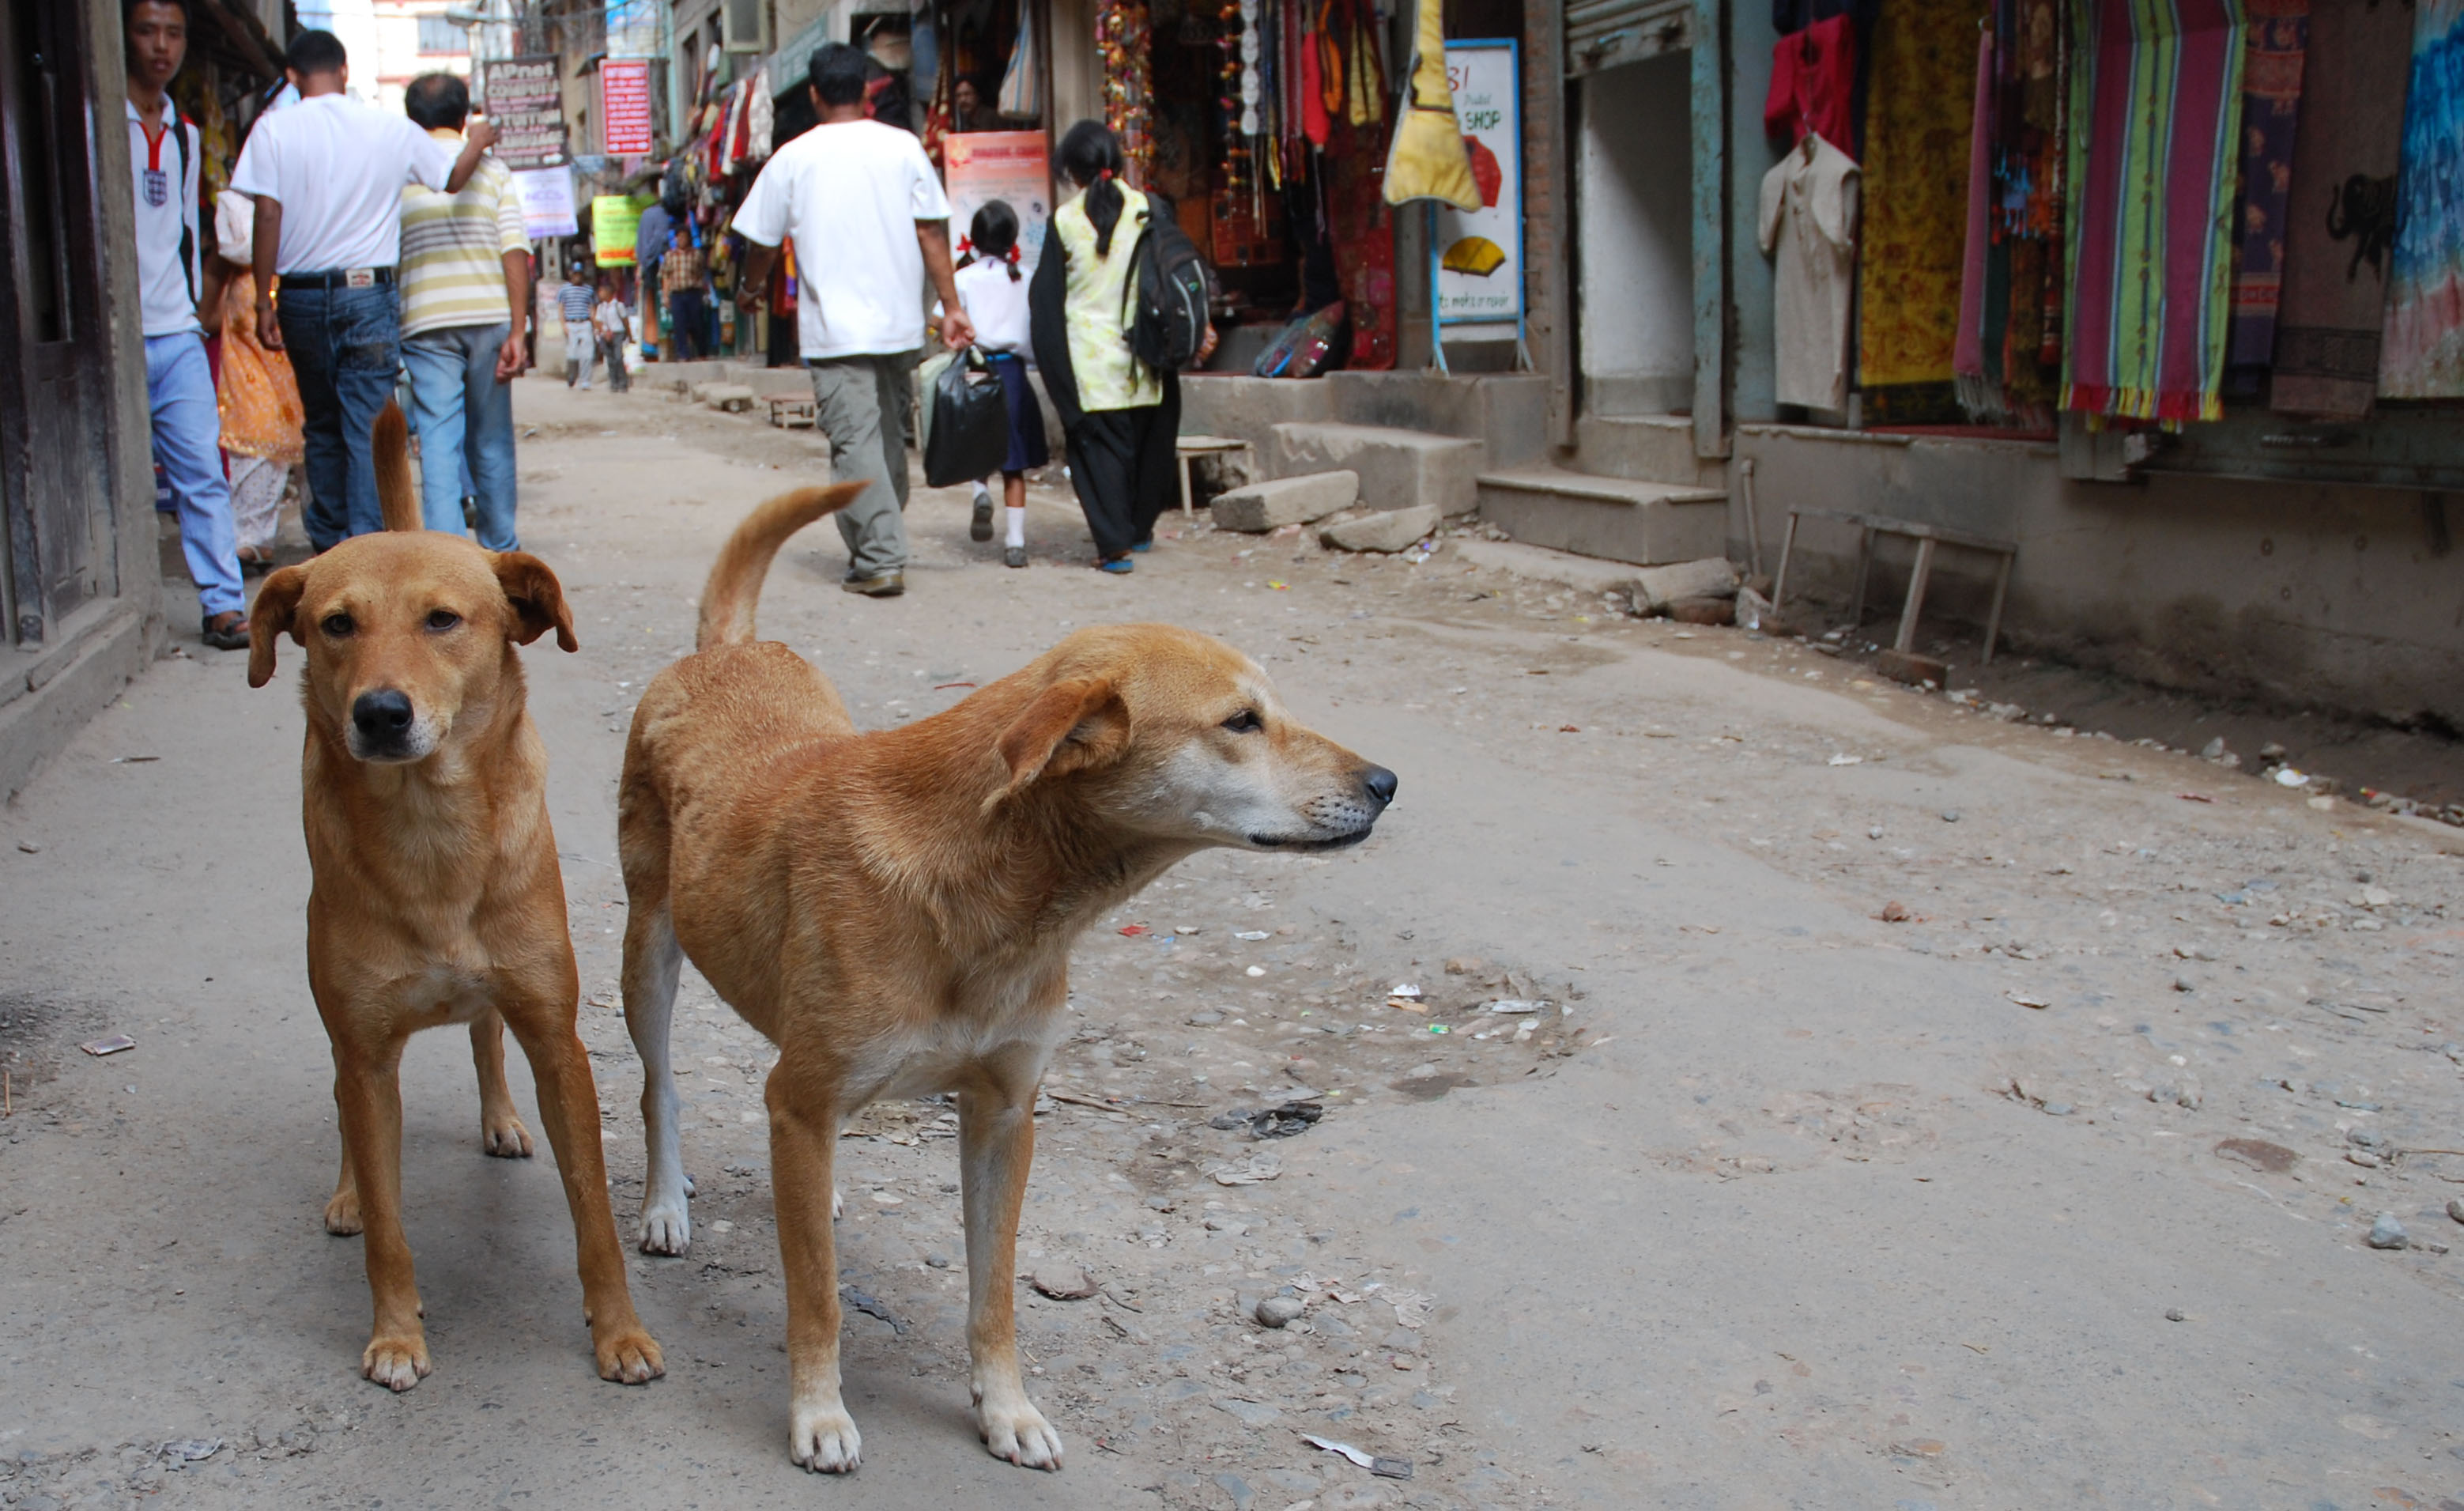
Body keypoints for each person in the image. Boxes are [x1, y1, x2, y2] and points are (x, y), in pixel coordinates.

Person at [232, 28, 496, 548]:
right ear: (346, 70)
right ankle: (368, 546)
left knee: (322, 426)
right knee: (366, 429)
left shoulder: (272, 130)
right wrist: (479, 142)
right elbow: (451, 177)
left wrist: (265, 298)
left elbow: (266, 213)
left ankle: (331, 547)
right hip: (368, 296)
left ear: (291, 77)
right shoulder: (388, 128)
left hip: (301, 297)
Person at [734, 42, 973, 599]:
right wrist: (951, 305)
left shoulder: (793, 158)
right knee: (886, 436)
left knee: (857, 442)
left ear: (815, 94)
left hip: (836, 331)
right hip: (898, 324)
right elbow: (931, 231)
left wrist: (748, 290)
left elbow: (762, 245)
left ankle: (880, 557)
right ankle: (879, 533)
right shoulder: (903, 148)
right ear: (866, 90)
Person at [125, 0, 248, 647]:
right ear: (125, 37)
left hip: (175, 329)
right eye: (147, 31)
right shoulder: (97, 121)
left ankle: (223, 604)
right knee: (120, 478)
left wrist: (205, 308)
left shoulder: (184, 132)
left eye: (172, 33)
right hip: (117, 331)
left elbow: (183, 228)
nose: (161, 46)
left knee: (202, 469)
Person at [1029, 120, 1179, 573]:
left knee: (1101, 452)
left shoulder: (1065, 222)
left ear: (1071, 171)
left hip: (1090, 363)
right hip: (1146, 358)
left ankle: (1114, 547)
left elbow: (1046, 303)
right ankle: (1138, 530)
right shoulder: (1149, 210)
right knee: (1147, 445)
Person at [397, 70, 529, 549]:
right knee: (491, 438)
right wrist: (519, 327)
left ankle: (447, 560)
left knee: (437, 441)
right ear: (463, 113)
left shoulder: (401, 172)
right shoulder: (492, 170)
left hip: (424, 320)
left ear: (411, 119)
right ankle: (500, 550)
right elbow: (514, 248)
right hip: (489, 315)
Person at [211, 185, 305, 570]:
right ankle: (251, 537)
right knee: (253, 431)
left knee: (293, 432)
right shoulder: (236, 216)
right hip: (250, 348)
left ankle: (256, 536)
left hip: (283, 336)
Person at [951, 200, 1043, 569]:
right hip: (1013, 372)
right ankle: (1015, 542)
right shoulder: (1025, 275)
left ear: (974, 239)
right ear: (1012, 238)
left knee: (979, 442)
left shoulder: (963, 279)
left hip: (976, 368)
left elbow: (941, 318)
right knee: (1014, 458)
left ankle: (978, 493)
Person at [660, 223, 708, 362]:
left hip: (693, 292)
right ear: (676, 239)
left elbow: (701, 272)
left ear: (688, 238)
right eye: (679, 237)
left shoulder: (696, 254)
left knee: (697, 323)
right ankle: (683, 354)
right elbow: (666, 276)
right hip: (677, 294)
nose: (682, 239)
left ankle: (701, 352)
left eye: (684, 237)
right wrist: (665, 295)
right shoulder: (670, 256)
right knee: (679, 324)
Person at [557, 263, 596, 387]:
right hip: (571, 323)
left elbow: (592, 309)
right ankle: (572, 376)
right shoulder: (564, 289)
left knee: (587, 354)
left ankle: (585, 380)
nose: (577, 276)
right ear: (571, 274)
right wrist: (563, 325)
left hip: (585, 322)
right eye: (575, 274)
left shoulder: (589, 290)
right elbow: (561, 308)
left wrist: (595, 325)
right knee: (572, 354)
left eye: (579, 274)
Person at [593, 278, 632, 392]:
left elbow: (625, 321)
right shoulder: (601, 307)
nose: (600, 294)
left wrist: (629, 335)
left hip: (617, 333)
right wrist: (604, 333)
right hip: (605, 335)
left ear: (608, 292)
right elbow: (598, 322)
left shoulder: (618, 305)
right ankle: (613, 383)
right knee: (610, 359)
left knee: (618, 357)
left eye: (601, 291)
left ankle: (623, 382)